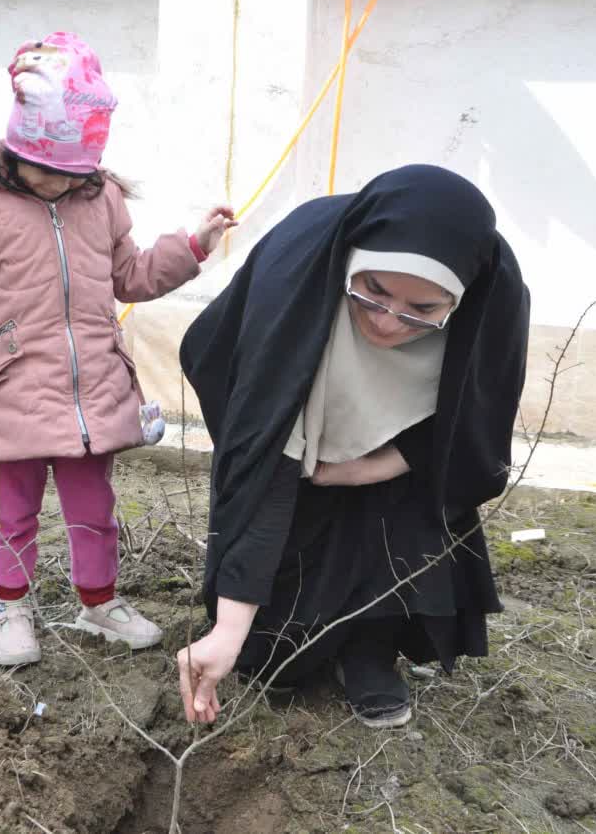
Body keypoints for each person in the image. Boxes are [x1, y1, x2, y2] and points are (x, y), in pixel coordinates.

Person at [0, 32, 236, 667]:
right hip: (14, 388)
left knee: (96, 508)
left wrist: (193, 246)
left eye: (74, 174)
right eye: (47, 172)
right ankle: (12, 608)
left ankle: (99, 603)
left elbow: (134, 276)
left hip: (94, 386)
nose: (60, 185)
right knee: (15, 512)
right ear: (19, 146)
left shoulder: (101, 198)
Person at [176, 165, 530, 728]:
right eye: (374, 292)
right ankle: (272, 629)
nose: (388, 325)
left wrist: (370, 469)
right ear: (351, 263)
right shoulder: (298, 290)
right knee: (271, 660)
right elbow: (268, 470)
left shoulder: (490, 302)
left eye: (424, 310)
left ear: (458, 303)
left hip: (396, 469)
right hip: (293, 441)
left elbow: (467, 430)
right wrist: (228, 628)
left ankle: (369, 647)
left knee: (410, 509)